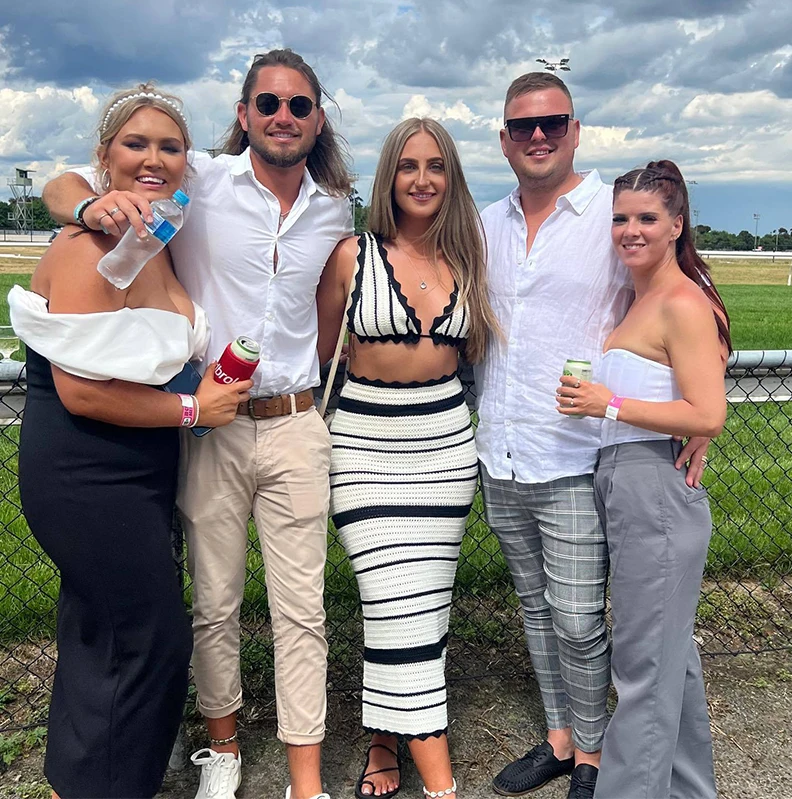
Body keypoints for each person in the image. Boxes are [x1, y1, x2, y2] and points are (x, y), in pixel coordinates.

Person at [41, 50, 352, 799]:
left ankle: (305, 777)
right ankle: (223, 748)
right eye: (268, 103)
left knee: (302, 609)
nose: (283, 116)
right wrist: (85, 209)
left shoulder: (335, 208)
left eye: (299, 105)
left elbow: (326, 318)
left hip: (296, 421)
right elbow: (68, 183)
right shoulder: (199, 177)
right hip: (213, 425)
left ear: (317, 120)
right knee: (213, 602)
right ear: (244, 114)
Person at [11, 85, 250, 799]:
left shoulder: (156, 237)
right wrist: (195, 409)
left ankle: (78, 781)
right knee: (150, 637)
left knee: (102, 630)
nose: (154, 159)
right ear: (105, 156)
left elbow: (65, 183)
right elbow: (82, 391)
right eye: (135, 144)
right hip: (85, 466)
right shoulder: (90, 243)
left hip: (140, 466)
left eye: (170, 147)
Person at [476, 73, 711, 799]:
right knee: (536, 609)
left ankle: (595, 752)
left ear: (575, 131)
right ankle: (560, 737)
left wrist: (699, 413)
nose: (538, 135)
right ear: (504, 139)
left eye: (553, 122)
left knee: (579, 619)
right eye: (523, 125)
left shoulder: (610, 215)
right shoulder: (485, 223)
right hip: (501, 450)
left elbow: (686, 297)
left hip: (578, 455)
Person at [317, 117, 499, 799]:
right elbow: (318, 354)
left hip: (445, 449)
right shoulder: (351, 256)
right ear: (388, 175)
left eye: (436, 166)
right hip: (366, 448)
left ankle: (382, 741)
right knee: (392, 600)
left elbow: (479, 354)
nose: (422, 180)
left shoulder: (469, 258)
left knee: (424, 608)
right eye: (408, 166)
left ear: (452, 177)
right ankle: (441, 781)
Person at [555, 159, 729, 798]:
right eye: (621, 218)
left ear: (676, 224)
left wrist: (611, 404)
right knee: (668, 662)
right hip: (624, 482)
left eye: (647, 218)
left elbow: (708, 413)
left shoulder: (680, 301)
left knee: (642, 668)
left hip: (651, 486)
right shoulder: (641, 299)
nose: (631, 230)